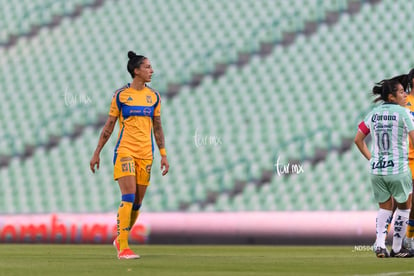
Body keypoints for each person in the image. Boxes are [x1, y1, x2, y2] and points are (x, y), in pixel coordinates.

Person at [90, 51, 169, 259]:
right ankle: (123, 246)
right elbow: (109, 126)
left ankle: (119, 238)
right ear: (136, 71)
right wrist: (97, 152)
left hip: (146, 154)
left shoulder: (154, 97)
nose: (152, 71)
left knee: (137, 202)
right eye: (147, 67)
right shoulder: (120, 96)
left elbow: (158, 128)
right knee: (128, 195)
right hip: (125, 151)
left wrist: (163, 154)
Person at [354, 78, 414, 258]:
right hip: (398, 169)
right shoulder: (404, 114)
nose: (405, 94)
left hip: (377, 170)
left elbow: (358, 140)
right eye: (402, 92)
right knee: (404, 207)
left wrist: (372, 159)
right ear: (392, 97)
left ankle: (380, 245)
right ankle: (397, 248)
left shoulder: (373, 113)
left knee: (385, 208)